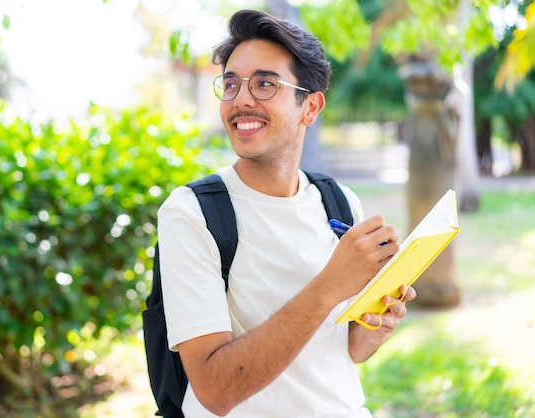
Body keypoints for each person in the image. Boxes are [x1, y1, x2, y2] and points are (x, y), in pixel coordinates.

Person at [157, 9, 416, 418]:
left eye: (264, 84)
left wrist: (374, 325)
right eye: (230, 84)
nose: (241, 99)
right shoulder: (192, 214)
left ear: (310, 108)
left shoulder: (340, 202)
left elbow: (346, 350)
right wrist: (332, 283)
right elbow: (215, 391)